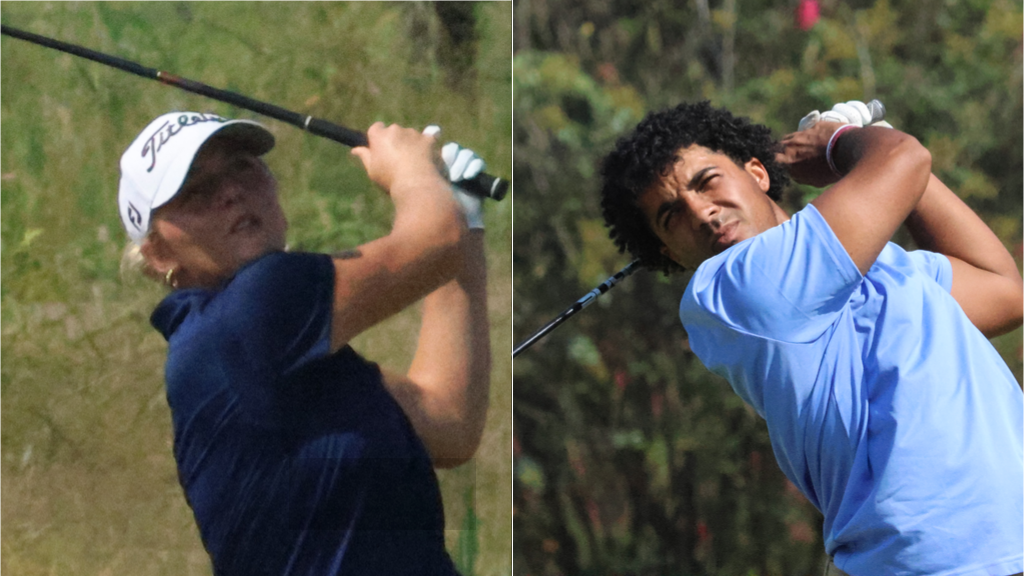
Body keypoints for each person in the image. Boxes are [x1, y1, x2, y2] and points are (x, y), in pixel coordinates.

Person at [599, 100, 1024, 576]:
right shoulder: (738, 286)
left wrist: (882, 147)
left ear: (757, 172)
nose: (702, 212)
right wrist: (841, 143)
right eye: (671, 215)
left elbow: (1004, 292)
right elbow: (905, 159)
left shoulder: (881, 266)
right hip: (933, 564)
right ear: (670, 252)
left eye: (707, 181)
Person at [116, 111, 491, 575]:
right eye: (195, 191)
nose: (231, 192)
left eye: (242, 167)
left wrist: (464, 218)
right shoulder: (254, 312)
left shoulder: (278, 348)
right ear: (158, 254)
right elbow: (437, 239)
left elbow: (448, 424)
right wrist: (413, 171)